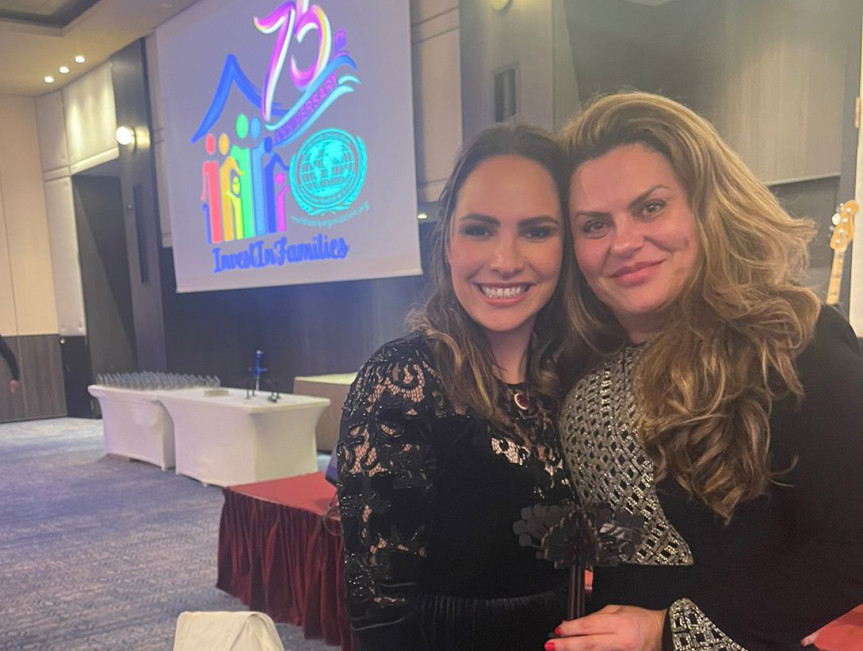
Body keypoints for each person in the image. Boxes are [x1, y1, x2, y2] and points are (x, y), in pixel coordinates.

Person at [548, 91, 863, 651]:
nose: (624, 242)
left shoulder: (790, 342)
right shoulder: (578, 358)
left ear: (707, 205)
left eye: (650, 207)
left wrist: (666, 631)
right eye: (595, 225)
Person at [337, 124, 577, 650]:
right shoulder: (404, 380)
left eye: (537, 231)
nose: (505, 261)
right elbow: (379, 614)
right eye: (480, 230)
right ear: (447, 243)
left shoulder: (572, 378)